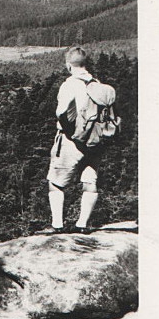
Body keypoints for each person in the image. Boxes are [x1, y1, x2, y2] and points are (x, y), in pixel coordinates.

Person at [46, 47, 107, 234]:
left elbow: (62, 112)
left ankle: (57, 225)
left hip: (71, 140)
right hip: (94, 140)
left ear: (68, 65)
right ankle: (82, 224)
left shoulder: (69, 84)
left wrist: (72, 133)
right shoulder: (96, 83)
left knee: (55, 183)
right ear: (85, 64)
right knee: (89, 181)